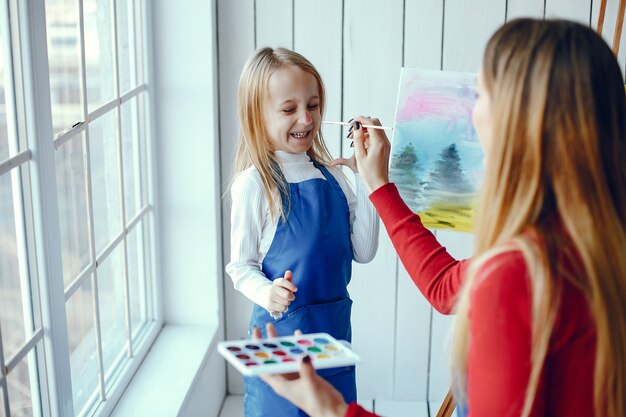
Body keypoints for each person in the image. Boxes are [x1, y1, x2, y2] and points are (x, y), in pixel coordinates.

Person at [256, 18, 626, 417]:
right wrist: (378, 185)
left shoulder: (517, 275)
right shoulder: (593, 242)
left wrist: (333, 409)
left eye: (480, 94)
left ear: (516, 123)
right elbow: (446, 287)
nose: (469, 109)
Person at [226, 47, 380, 417]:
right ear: (256, 115)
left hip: (332, 342)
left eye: (312, 105)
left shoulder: (337, 178)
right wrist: (267, 291)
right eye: (289, 108)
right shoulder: (254, 185)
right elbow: (239, 267)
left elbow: (365, 250)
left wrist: (367, 179)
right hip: (280, 347)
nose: (305, 118)